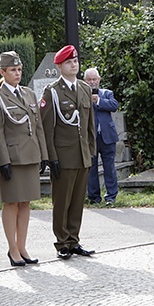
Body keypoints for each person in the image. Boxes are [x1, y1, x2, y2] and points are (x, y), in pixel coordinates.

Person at [0, 50, 47, 266]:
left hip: (30, 155)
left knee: (26, 203)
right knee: (11, 203)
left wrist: (43, 155)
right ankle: (12, 249)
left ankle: (22, 247)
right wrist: (2, 160)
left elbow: (38, 126)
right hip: (12, 157)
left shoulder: (29, 94)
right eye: (13, 70)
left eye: (19, 69)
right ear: (3, 71)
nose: (17, 73)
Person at [41, 45, 96, 259]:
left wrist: (91, 149)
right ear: (60, 66)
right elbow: (48, 128)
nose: (74, 65)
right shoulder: (52, 92)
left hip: (82, 154)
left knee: (77, 200)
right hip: (63, 156)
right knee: (62, 201)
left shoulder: (84, 88)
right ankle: (62, 242)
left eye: (75, 61)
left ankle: (74, 240)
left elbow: (90, 123)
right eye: (69, 62)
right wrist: (51, 157)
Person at [84, 67, 120, 205]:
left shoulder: (107, 93)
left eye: (94, 79)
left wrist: (98, 101)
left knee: (109, 167)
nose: (92, 82)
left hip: (107, 137)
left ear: (99, 80)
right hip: (91, 138)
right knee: (91, 168)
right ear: (84, 81)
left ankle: (111, 196)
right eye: (89, 80)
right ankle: (94, 198)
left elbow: (114, 105)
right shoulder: (81, 95)